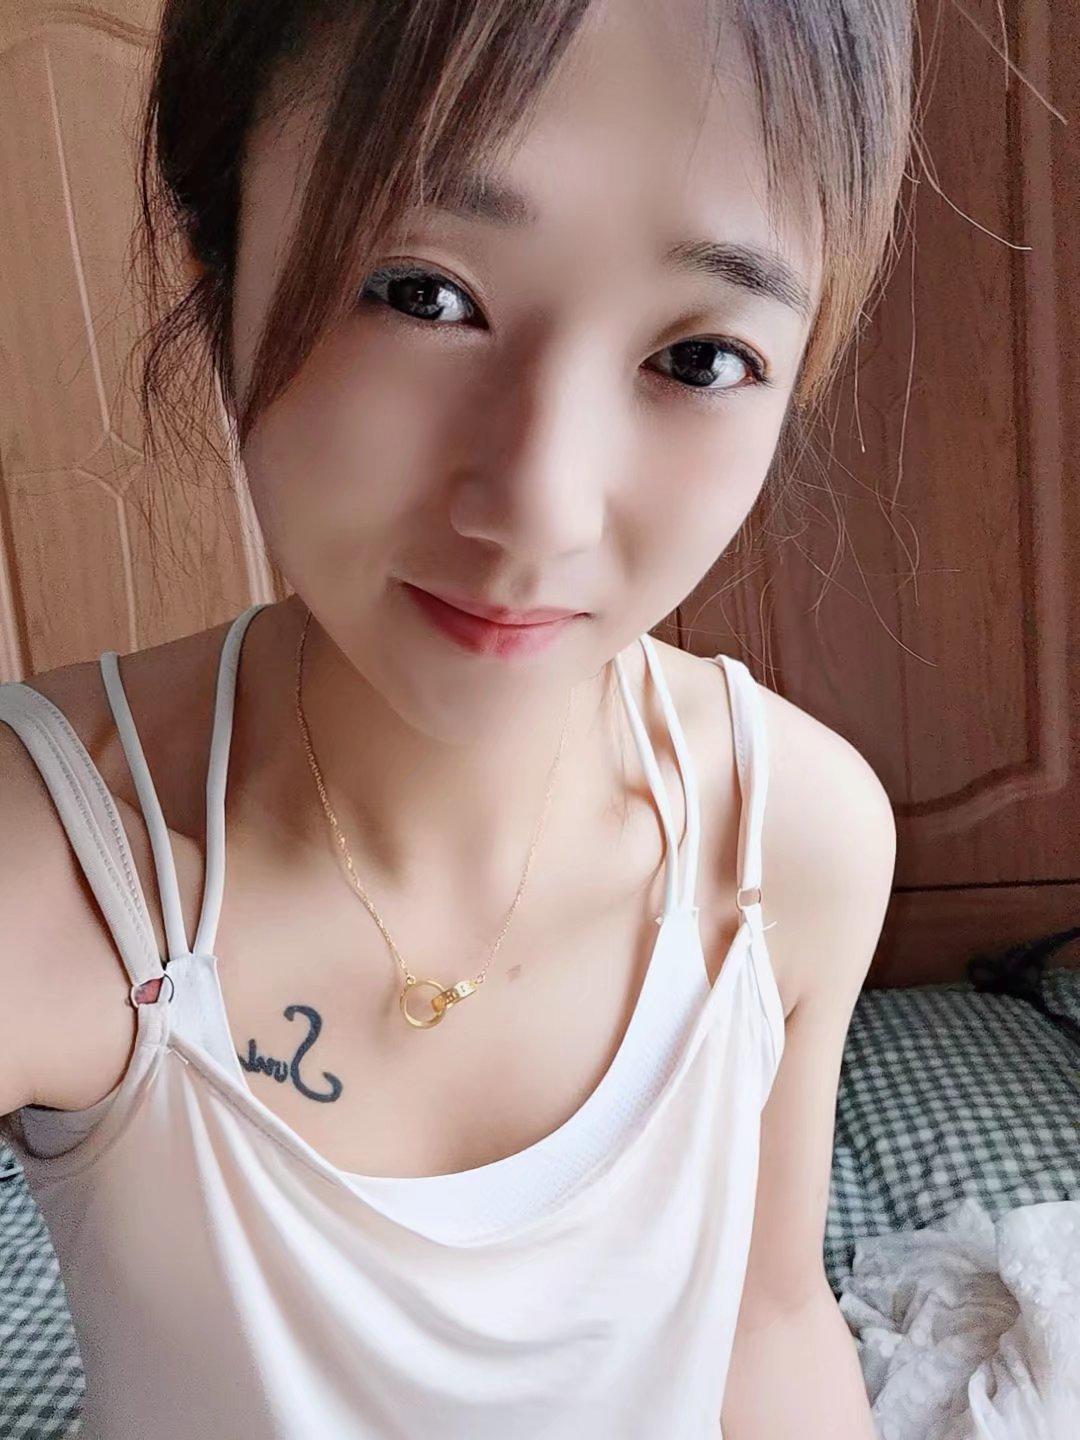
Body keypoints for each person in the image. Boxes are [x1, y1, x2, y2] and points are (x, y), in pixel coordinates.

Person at [0, 0, 907, 1434]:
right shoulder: (52, 866)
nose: (543, 508)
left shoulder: (787, 837)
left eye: (699, 358)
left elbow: (769, 1315)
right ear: (222, 265)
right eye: (422, 293)